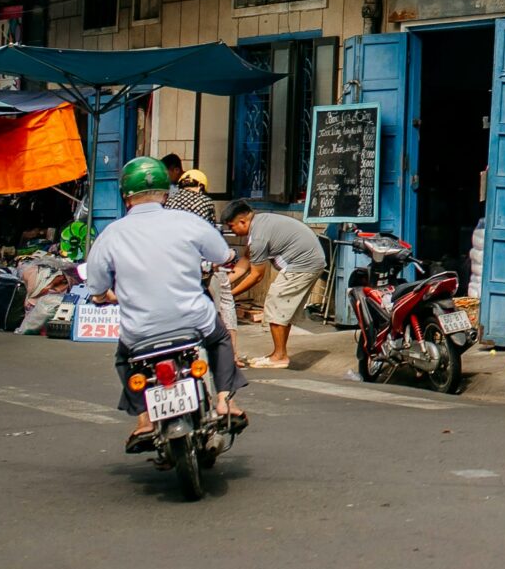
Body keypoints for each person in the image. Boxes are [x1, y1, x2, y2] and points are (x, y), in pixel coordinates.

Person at [80, 157, 240, 446]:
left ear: (126, 197)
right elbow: (221, 254)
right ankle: (224, 401)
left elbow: (96, 284)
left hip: (141, 331)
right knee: (220, 340)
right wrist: (229, 258)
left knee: (124, 358)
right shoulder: (188, 222)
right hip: (193, 320)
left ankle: (143, 418)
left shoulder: (111, 234)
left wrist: (103, 296)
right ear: (166, 193)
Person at [223, 201, 326, 369]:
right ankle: (278, 353)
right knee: (282, 308)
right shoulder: (259, 224)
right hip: (308, 261)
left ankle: (279, 356)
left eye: (232, 226)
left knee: (275, 304)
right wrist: (224, 284)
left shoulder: (258, 237)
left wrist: (229, 295)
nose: (232, 231)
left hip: (303, 264)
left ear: (243, 221)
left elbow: (256, 276)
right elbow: (245, 262)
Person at [164, 166, 235, 331]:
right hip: (198, 263)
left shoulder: (169, 200)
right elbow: (211, 234)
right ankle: (229, 345)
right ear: (201, 186)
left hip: (170, 260)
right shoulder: (206, 202)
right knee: (225, 299)